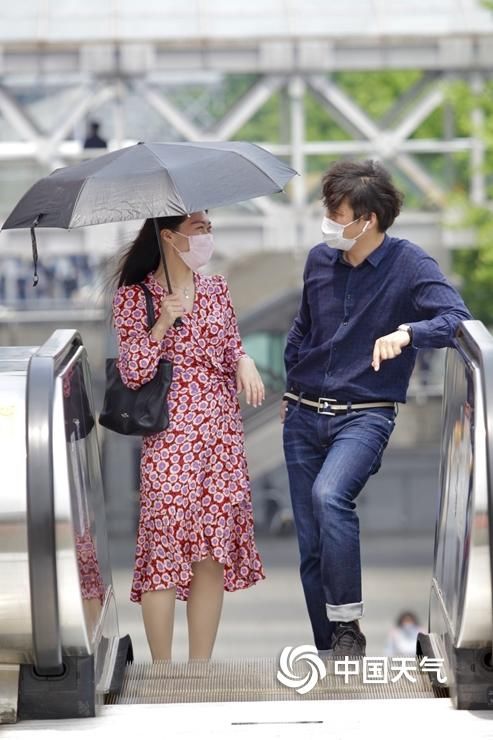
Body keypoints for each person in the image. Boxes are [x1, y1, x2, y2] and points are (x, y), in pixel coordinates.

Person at [281, 159, 472, 657]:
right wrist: (290, 387)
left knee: (330, 497)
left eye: (336, 212)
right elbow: (303, 327)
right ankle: (331, 653)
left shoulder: (409, 264)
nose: (328, 221)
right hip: (301, 415)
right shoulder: (318, 262)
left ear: (367, 220)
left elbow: (457, 319)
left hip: (365, 413)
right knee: (311, 548)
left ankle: (347, 629)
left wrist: (409, 332)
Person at [112, 212, 265, 661]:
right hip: (169, 435)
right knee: (164, 544)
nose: (208, 236)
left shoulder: (216, 288)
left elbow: (231, 345)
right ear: (169, 236)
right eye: (200, 228)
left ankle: (199, 672)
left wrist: (245, 361)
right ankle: (163, 673)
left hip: (220, 433)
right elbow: (134, 371)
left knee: (211, 552)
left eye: (210, 227)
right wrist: (161, 322)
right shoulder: (134, 297)